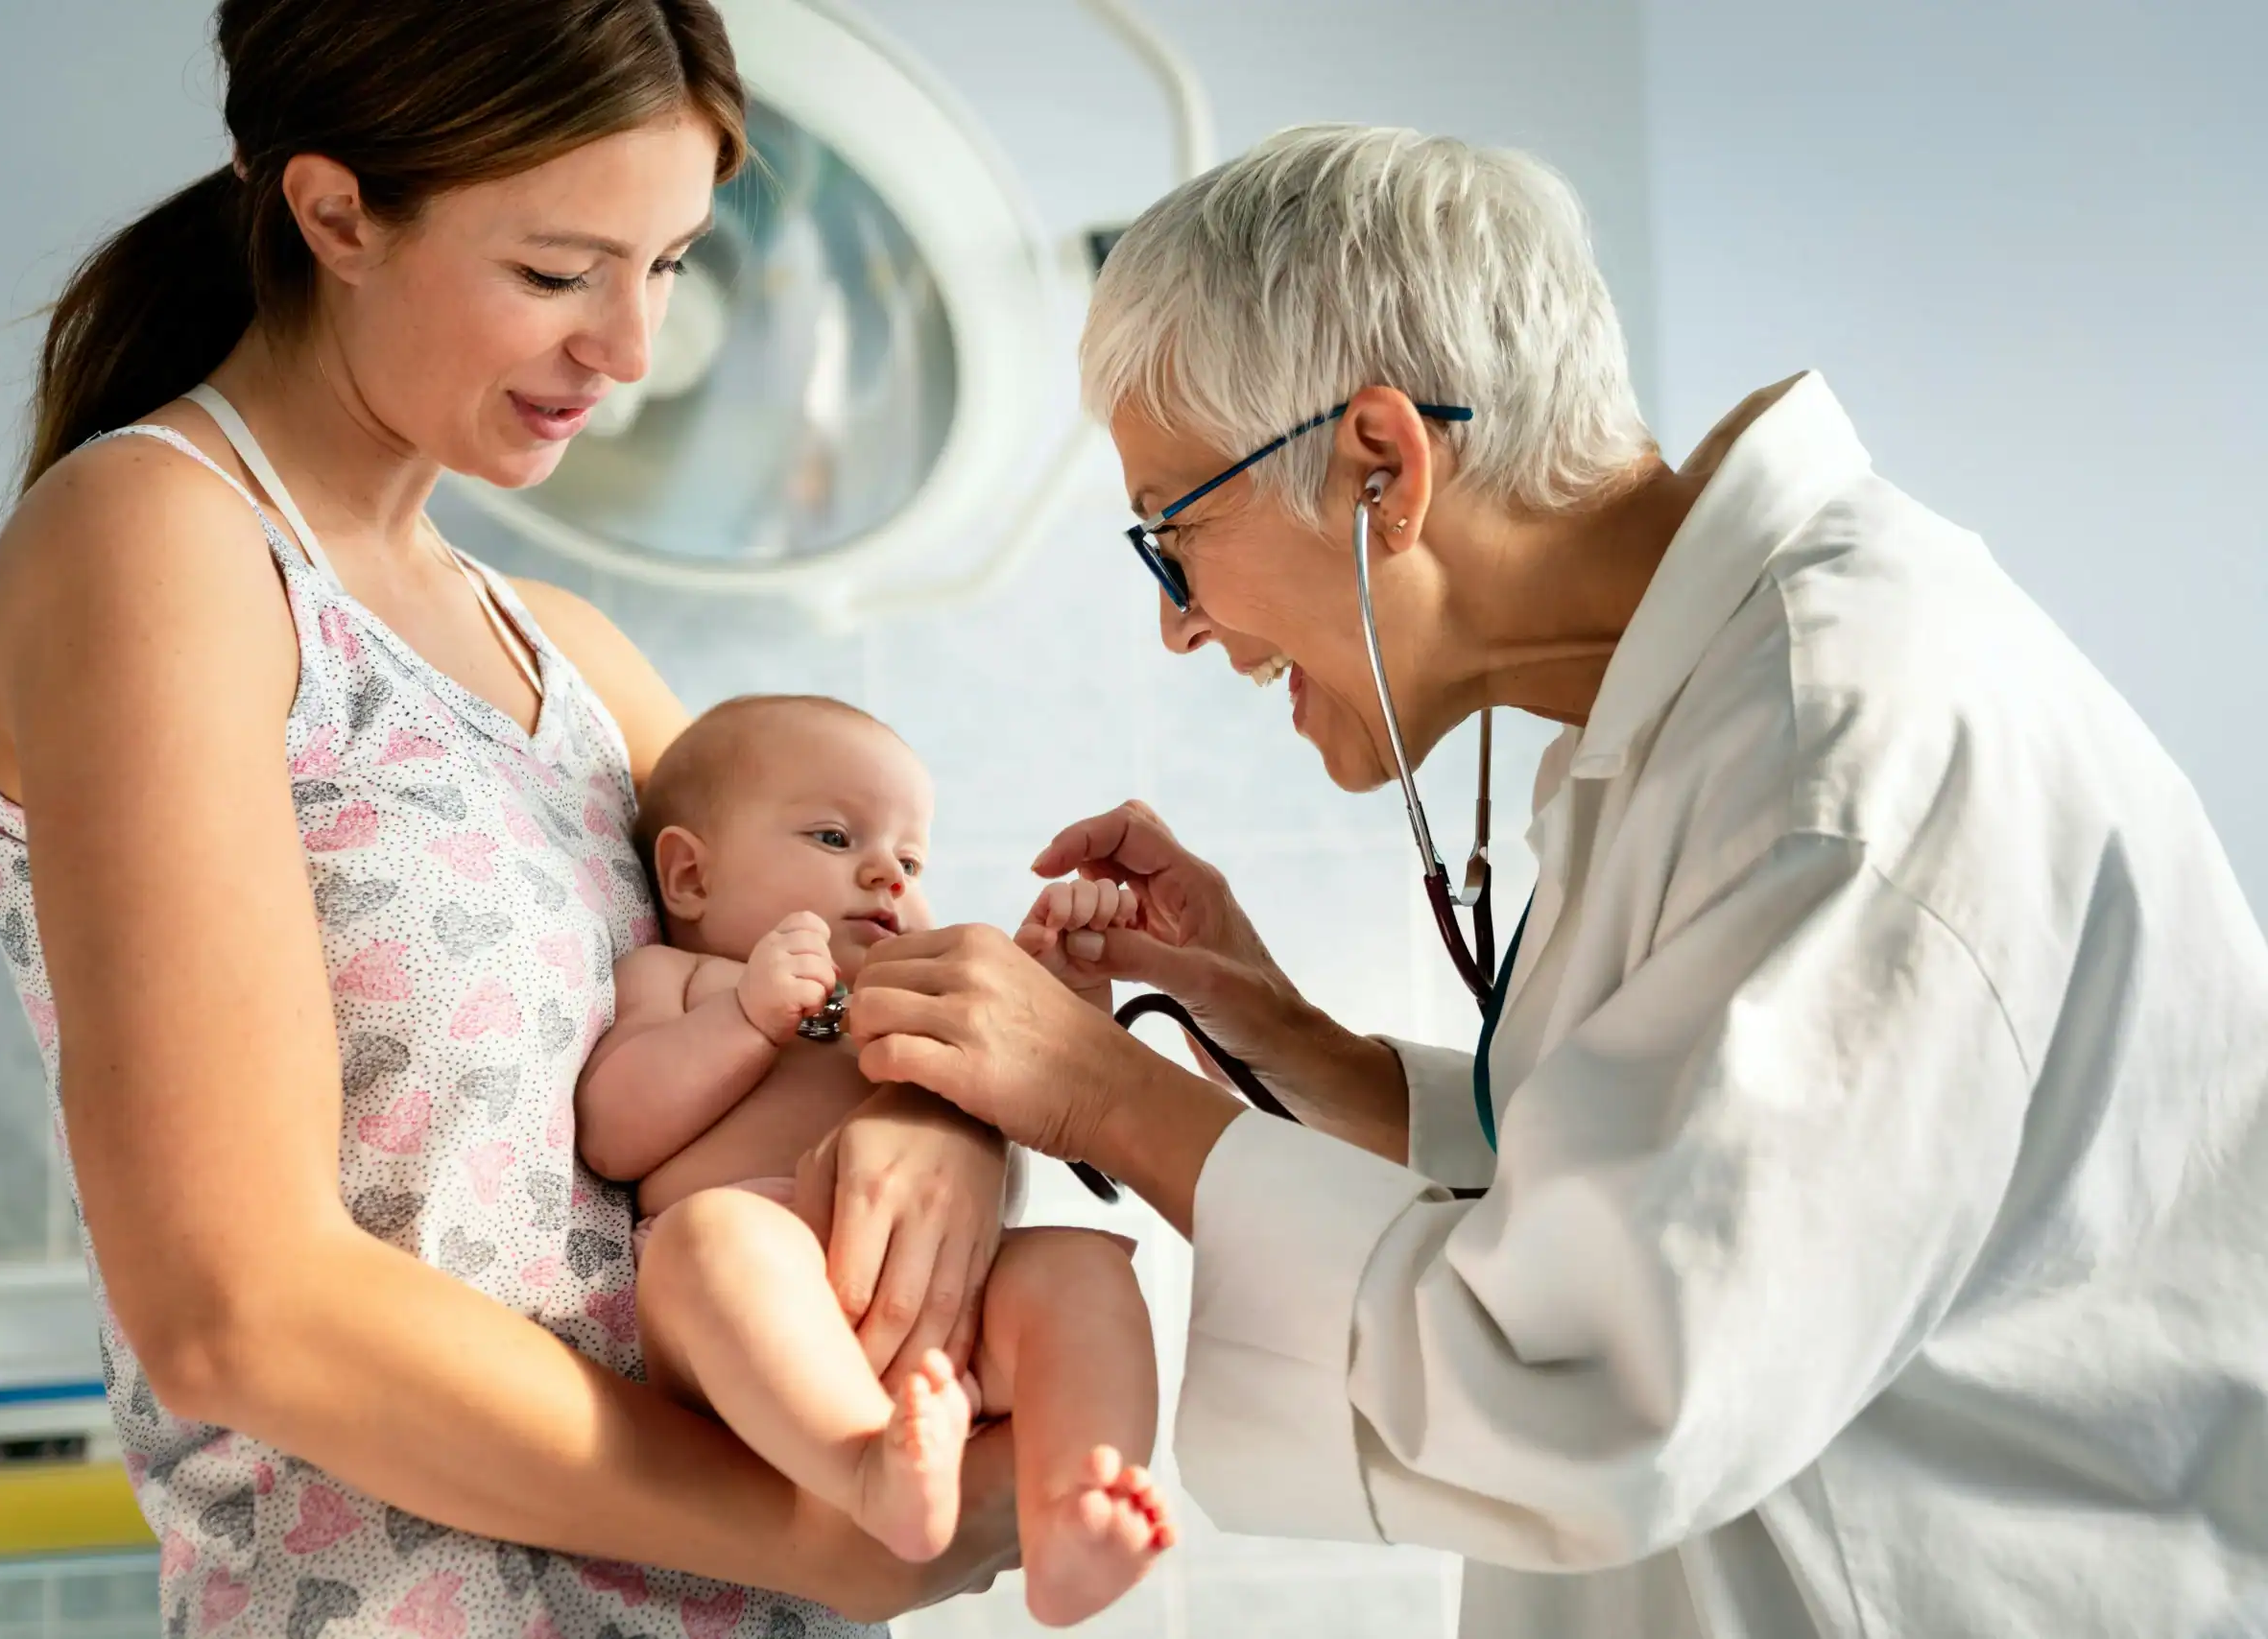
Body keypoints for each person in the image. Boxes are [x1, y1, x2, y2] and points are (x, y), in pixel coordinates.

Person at [846, 124, 2268, 1638]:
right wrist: (1301, 1050)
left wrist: (1105, 1095)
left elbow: (1607, 1382)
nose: (1180, 629)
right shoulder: (1700, 710)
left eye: (1175, 540)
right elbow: (1650, 1166)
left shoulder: (1847, 757)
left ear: (1380, 466)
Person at [0, 3, 1020, 1634]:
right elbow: (242, 1311)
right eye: (558, 272)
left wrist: (940, 1126)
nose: (635, 348)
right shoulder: (157, 548)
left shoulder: (575, 661)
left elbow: (871, 1003)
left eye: (667, 264)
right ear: (334, 215)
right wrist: (820, 1533)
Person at [577, 694, 1172, 1627]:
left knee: (1083, 1263)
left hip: (954, 1294)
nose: (886, 875)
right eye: (832, 835)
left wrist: (1068, 986)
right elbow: (611, 1132)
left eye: (911, 858)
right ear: (691, 876)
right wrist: (742, 1020)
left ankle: (1072, 1505)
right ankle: (864, 1466)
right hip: (757, 1305)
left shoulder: (911, 986)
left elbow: (1046, 1092)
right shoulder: (681, 978)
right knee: (710, 1238)